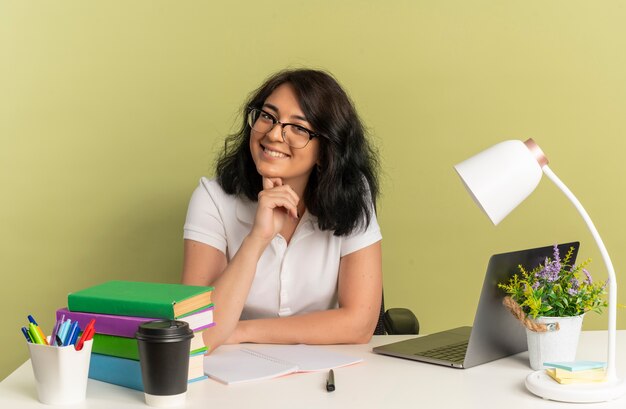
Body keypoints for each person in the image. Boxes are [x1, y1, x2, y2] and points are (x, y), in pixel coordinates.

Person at [181, 68, 382, 352]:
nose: (274, 133)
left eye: (298, 127)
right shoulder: (212, 198)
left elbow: (360, 324)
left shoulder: (352, 195)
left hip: (324, 370)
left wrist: (242, 330)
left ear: (326, 151)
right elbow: (198, 333)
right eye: (267, 116)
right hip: (232, 373)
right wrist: (257, 239)